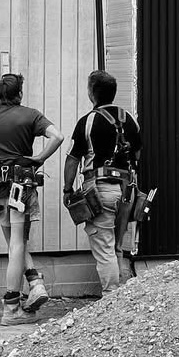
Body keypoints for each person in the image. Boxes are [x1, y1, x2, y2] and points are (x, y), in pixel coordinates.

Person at [0, 70, 64, 326]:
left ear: (0, 95)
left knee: (14, 242)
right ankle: (12, 308)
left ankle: (34, 282)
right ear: (19, 94)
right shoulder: (31, 115)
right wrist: (41, 158)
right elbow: (58, 136)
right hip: (21, 185)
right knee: (18, 245)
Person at [63, 70, 142, 295]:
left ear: (92, 93)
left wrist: (68, 190)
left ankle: (110, 299)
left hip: (101, 190)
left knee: (105, 247)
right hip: (127, 191)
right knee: (118, 246)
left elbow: (72, 161)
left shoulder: (88, 121)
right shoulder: (130, 120)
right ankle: (120, 301)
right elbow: (137, 155)